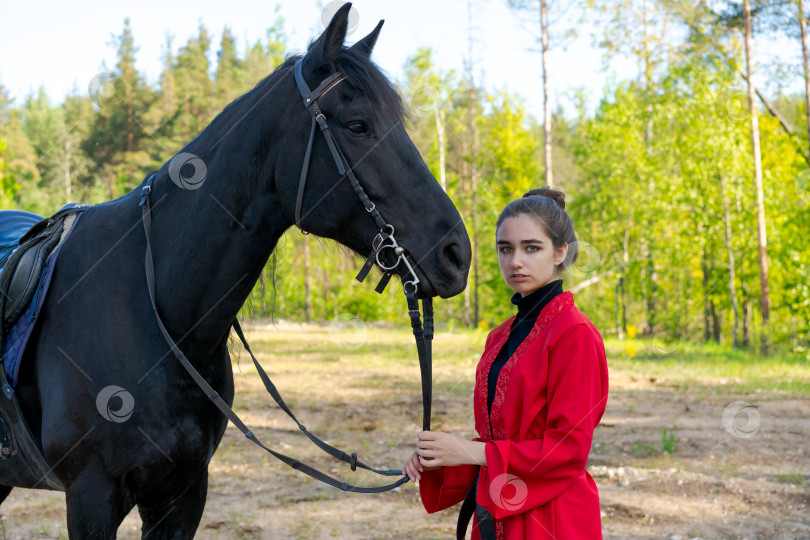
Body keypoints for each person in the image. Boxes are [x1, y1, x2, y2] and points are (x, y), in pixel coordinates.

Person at [403, 187, 609, 539]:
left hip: (553, 517)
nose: (515, 261)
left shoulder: (575, 334)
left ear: (560, 252)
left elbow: (568, 449)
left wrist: (471, 451)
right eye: (505, 248)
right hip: (498, 508)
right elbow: (500, 436)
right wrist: (442, 455)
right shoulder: (499, 337)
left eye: (532, 247)